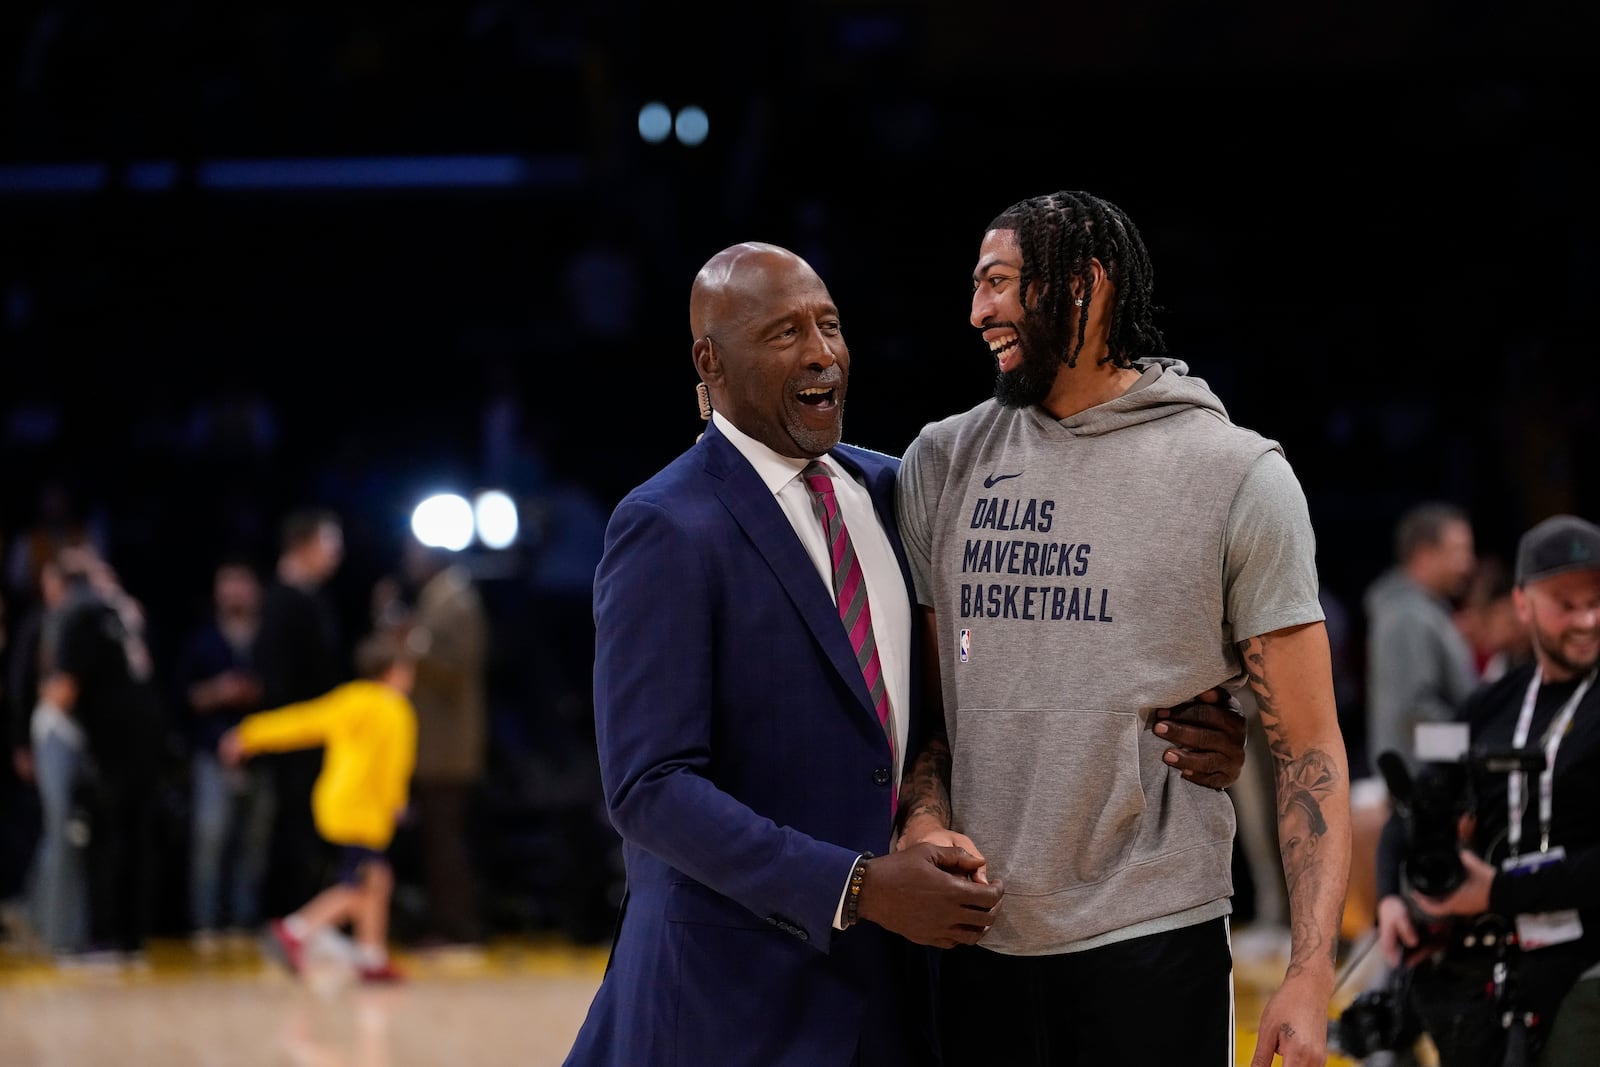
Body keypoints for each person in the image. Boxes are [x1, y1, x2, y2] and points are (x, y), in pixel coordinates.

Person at [562, 240, 1247, 1067]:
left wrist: (1189, 729)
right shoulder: (666, 524)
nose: (821, 352)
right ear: (710, 358)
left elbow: (996, 670)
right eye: (785, 333)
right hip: (729, 999)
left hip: (895, 996)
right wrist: (854, 885)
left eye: (830, 325)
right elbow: (650, 787)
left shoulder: (897, 489)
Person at [894, 190, 1350, 1067]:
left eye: (1000, 282)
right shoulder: (941, 463)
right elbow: (931, 716)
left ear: (1085, 287)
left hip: (1151, 935)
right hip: (973, 938)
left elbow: (1310, 749)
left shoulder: (1236, 474)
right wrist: (923, 820)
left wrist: (1310, 970)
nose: (978, 310)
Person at [1373, 514, 1600, 1067]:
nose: (1587, 619)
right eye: (1564, 604)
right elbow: (1418, 800)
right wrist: (1390, 897)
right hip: (1486, 972)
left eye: (1596, 600)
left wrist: (1498, 891)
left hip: (1585, 964)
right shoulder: (1484, 704)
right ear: (1522, 604)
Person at [220, 629, 418, 984]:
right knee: (359, 886)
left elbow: (302, 722)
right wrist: (396, 802)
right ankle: (295, 930)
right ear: (394, 671)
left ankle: (371, 957)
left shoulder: (350, 699)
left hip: (336, 802)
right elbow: (393, 764)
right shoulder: (395, 709)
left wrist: (249, 734)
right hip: (366, 809)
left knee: (377, 880)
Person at [380, 538, 490, 948]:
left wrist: (408, 644)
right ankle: (445, 924)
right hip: (434, 748)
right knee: (436, 842)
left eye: (415, 554)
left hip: (448, 749)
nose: (410, 562)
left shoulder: (457, 600)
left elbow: (456, 667)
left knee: (446, 844)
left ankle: (457, 929)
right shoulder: (438, 598)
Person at [253, 508, 346, 917]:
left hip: (317, 736)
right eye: (328, 542)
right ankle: (290, 920)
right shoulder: (281, 602)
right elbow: (280, 684)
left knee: (309, 832)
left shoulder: (314, 599)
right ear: (302, 546)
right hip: (295, 740)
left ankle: (306, 918)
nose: (336, 552)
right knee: (292, 830)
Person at [175, 556, 270, 956]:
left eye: (241, 583)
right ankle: (206, 921)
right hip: (213, 752)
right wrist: (219, 692)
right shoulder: (202, 640)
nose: (233, 592)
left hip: (263, 752)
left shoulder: (267, 639)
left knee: (255, 842)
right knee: (210, 838)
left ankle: (243, 921)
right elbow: (182, 698)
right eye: (226, 583)